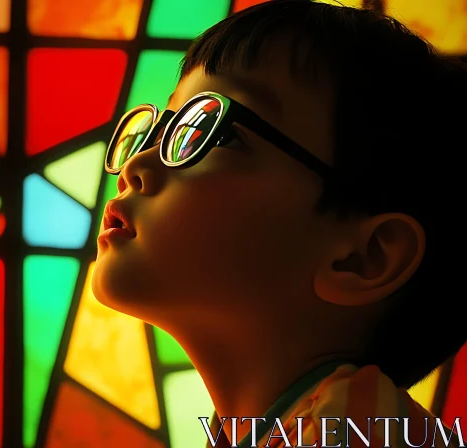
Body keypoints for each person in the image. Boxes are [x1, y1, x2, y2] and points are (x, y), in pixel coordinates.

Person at [92, 1, 467, 447]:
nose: (136, 163)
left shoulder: (357, 429)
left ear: (362, 258)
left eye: (216, 131)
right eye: (168, 126)